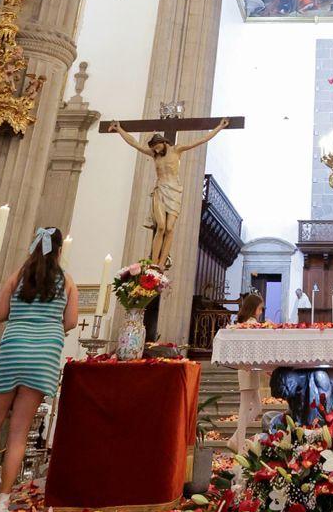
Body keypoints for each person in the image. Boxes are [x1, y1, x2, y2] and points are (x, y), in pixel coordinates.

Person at [0, 227, 78, 512]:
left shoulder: (18, 276)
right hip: (43, 356)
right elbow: (70, 322)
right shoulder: (67, 281)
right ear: (59, 251)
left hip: (13, 349)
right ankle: (1, 505)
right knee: (18, 433)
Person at [107, 117, 229, 267]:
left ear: (164, 142)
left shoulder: (177, 150)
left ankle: (161, 264)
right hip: (160, 190)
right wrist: (119, 129)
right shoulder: (154, 154)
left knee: (170, 228)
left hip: (174, 191)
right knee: (161, 226)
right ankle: (153, 263)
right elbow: (134, 143)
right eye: (154, 148)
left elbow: (201, 140)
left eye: (157, 147)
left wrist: (219, 127)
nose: (156, 150)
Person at [230, 291, 267, 451]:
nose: (261, 312)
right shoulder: (250, 323)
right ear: (253, 308)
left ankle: (234, 439)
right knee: (244, 408)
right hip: (247, 369)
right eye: (260, 308)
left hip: (251, 369)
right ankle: (239, 447)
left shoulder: (247, 323)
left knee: (257, 407)